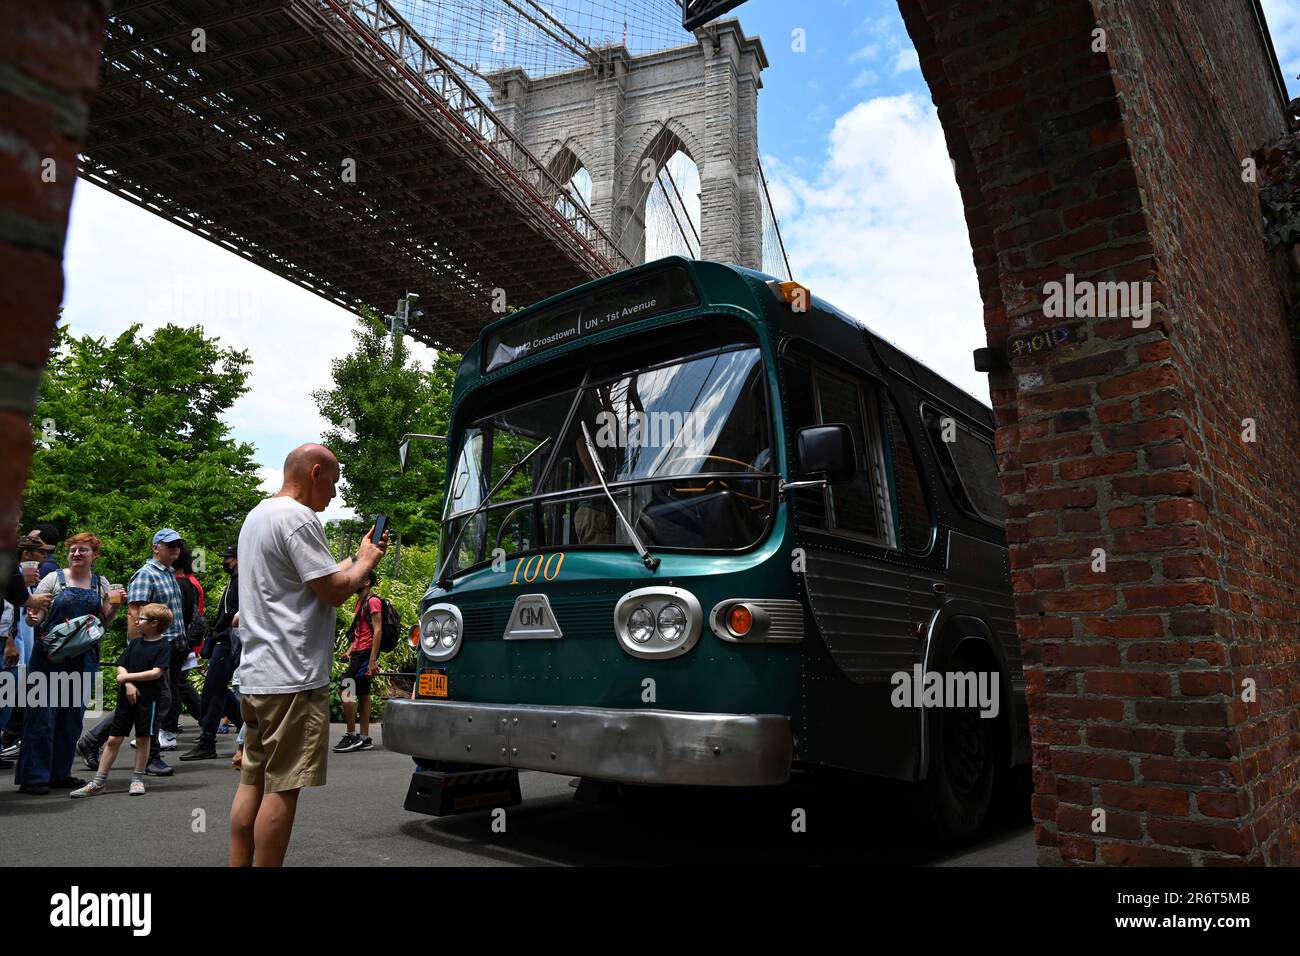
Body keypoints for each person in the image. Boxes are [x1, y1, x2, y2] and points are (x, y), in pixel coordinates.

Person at [229, 443, 386, 867]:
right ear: (315, 472)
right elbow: (335, 590)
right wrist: (365, 564)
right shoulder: (298, 519)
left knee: (253, 781)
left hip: (257, 674)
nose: (333, 495)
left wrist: (356, 557)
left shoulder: (257, 516)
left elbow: (312, 579)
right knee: (283, 788)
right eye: (332, 483)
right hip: (292, 678)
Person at [14, 532, 119, 795]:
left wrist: (116, 606)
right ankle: (34, 777)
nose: (76, 554)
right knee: (42, 715)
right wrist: (33, 618)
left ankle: (59, 773)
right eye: (73, 550)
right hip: (49, 655)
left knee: (72, 717)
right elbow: (33, 617)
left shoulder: (100, 584)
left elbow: (103, 623)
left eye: (83, 550)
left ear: (94, 555)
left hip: (84, 656)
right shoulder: (52, 578)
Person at [75, 529, 185, 776]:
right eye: (170, 545)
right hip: (149, 650)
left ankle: (92, 740)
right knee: (157, 700)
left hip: (168, 648)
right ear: (155, 547)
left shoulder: (168, 573)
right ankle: (150, 757)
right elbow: (134, 614)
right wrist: (136, 652)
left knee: (149, 701)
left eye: (178, 545)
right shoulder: (146, 575)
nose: (175, 548)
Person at [70, 604, 173, 798]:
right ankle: (99, 782)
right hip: (126, 698)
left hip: (149, 700)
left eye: (141, 618)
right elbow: (121, 665)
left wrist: (127, 678)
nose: (136, 621)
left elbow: (156, 672)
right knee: (113, 739)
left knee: (143, 739)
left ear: (154, 623)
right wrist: (128, 684)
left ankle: (137, 779)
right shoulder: (135, 643)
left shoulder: (164, 646)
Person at [182, 543, 242, 761]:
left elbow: (234, 616)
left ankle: (207, 742)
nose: (225, 561)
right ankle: (248, 729)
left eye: (229, 558)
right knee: (219, 690)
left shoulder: (243, 582)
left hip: (227, 641)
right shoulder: (234, 581)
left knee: (212, 691)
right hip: (222, 640)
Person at [333, 571, 383, 753]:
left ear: (367, 582)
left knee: (345, 687)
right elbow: (359, 633)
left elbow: (378, 631)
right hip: (358, 653)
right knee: (363, 693)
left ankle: (352, 734)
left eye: (360, 578)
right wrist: (348, 652)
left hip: (366, 654)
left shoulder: (373, 601)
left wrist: (372, 660)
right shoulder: (360, 603)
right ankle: (364, 738)